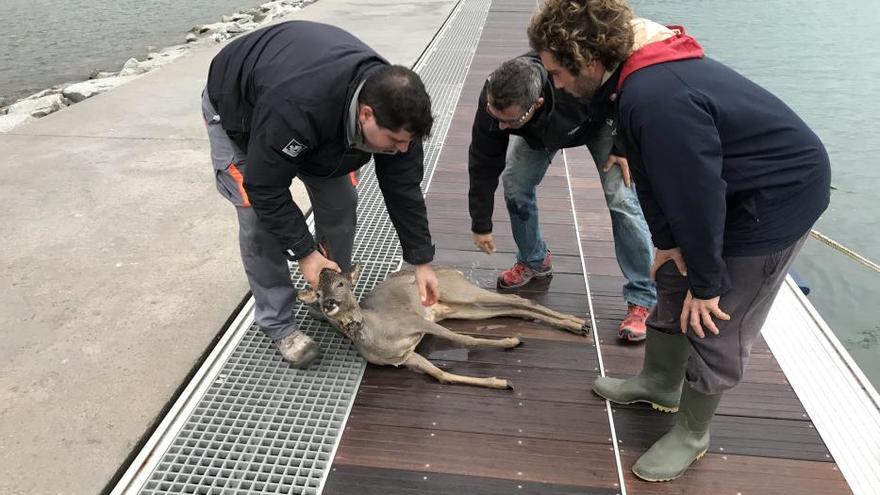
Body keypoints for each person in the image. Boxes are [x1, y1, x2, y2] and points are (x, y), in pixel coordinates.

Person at [529, 0, 831, 481]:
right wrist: (668, 242)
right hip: (724, 187)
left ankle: (693, 432)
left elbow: (697, 196)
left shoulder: (658, 97)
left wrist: (709, 283)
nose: (557, 85)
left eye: (559, 74)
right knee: (671, 276)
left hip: (775, 200)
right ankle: (660, 382)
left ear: (588, 61)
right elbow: (647, 169)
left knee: (717, 318)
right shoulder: (625, 82)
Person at [203, 20, 440, 368]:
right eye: (395, 142)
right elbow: (264, 186)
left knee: (341, 201)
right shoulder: (297, 106)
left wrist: (420, 260)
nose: (403, 149)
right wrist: (305, 253)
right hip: (242, 112)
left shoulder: (401, 118)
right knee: (258, 220)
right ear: (366, 115)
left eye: (409, 142)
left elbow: (402, 187)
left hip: (317, 122)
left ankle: (328, 297)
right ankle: (278, 324)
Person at [468, 55, 656, 341]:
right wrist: (480, 223)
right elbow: (483, 160)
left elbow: (631, 87)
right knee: (515, 185)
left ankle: (643, 296)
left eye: (509, 121)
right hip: (541, 134)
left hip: (601, 122)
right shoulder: (495, 102)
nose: (502, 128)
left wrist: (624, 145)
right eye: (497, 118)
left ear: (537, 104)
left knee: (623, 201)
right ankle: (535, 260)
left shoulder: (572, 74)